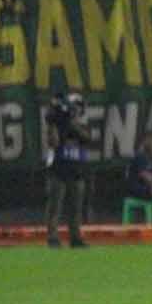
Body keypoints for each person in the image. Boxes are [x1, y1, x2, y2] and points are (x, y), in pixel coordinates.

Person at [45, 92, 93, 248]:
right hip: (58, 169)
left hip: (77, 170)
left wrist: (71, 124)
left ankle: (76, 237)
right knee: (55, 207)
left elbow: (87, 138)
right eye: (75, 107)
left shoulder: (81, 125)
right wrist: (53, 123)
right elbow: (53, 142)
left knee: (76, 208)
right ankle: (52, 238)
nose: (77, 110)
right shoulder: (58, 124)